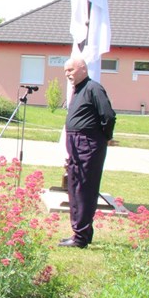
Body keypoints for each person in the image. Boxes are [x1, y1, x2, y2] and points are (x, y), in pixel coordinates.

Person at [60, 57, 116, 249]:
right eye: (65, 71)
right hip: (76, 144)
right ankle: (82, 232)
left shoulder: (93, 88)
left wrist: (104, 138)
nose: (67, 74)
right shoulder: (78, 89)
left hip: (88, 144)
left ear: (83, 69)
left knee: (83, 189)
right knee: (75, 186)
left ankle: (80, 237)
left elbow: (108, 116)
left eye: (71, 70)